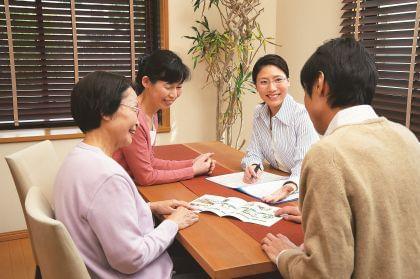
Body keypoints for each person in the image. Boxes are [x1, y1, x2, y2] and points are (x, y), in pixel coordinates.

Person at [261, 37, 420, 278]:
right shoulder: (406, 137)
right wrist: (320, 216)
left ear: (320, 85)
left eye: (306, 91)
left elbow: (324, 273)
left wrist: (286, 255)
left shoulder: (327, 154)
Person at [54, 71, 199, 278]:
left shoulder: (77, 159)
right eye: (133, 109)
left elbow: (100, 214)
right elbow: (131, 259)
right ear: (105, 111)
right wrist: (173, 223)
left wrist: (149, 207)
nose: (138, 121)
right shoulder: (107, 176)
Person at [113, 49, 215, 186]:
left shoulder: (152, 113)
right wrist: (193, 170)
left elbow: (150, 161)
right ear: (146, 82)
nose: (174, 94)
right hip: (116, 187)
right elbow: (146, 177)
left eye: (178, 87)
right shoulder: (134, 116)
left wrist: (192, 163)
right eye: (168, 87)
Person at [241, 54, 318, 203]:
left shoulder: (301, 115)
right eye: (264, 82)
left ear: (288, 81)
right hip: (275, 184)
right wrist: (253, 166)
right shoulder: (259, 112)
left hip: (307, 190)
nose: (272, 88)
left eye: (278, 80)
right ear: (255, 86)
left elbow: (305, 165)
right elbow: (253, 152)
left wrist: (288, 187)